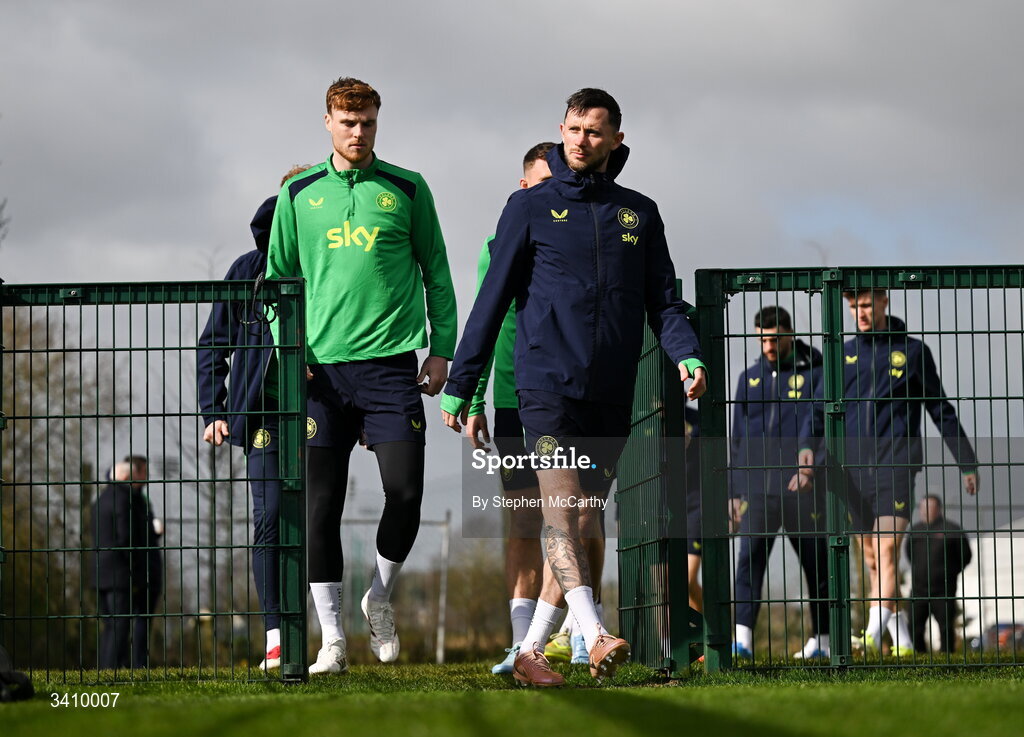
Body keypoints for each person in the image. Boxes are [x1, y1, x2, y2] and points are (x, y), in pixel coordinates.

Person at [441, 88, 707, 686]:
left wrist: (687, 355)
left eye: (594, 132)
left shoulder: (640, 212)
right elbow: (492, 301)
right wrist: (463, 386)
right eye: (573, 129)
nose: (581, 141)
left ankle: (532, 651)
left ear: (616, 140)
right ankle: (593, 633)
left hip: (610, 390)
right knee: (560, 513)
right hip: (545, 387)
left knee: (587, 518)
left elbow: (662, 301)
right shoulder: (529, 207)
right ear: (561, 132)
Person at [266, 77, 456, 674]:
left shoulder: (407, 187)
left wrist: (441, 348)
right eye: (347, 122)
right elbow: (277, 284)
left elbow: (438, 275)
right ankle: (332, 642)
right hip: (320, 374)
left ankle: (379, 595)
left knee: (406, 493)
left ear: (378, 121)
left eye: (368, 122)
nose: (358, 132)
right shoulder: (297, 193)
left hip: (391, 369)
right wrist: (289, 356)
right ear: (327, 121)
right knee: (318, 507)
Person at [197, 165, 310, 671]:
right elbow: (212, 342)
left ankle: (326, 636)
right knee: (269, 520)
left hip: (323, 411)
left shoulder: (336, 262)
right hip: (262, 413)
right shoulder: (248, 268)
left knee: (317, 521)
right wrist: (214, 409)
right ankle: (277, 637)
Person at [836, 288, 978, 656]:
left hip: (896, 464)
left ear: (884, 301)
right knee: (871, 558)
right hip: (853, 471)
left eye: (866, 305)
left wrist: (966, 460)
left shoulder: (912, 352)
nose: (860, 313)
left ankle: (870, 632)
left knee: (886, 549)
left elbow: (939, 407)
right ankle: (900, 640)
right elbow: (823, 413)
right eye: (853, 307)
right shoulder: (844, 354)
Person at [730, 306, 830, 660]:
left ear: (789, 334)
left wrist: (811, 469)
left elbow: (825, 428)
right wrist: (734, 491)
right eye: (762, 339)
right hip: (758, 491)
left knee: (817, 563)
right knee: (748, 561)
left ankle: (823, 642)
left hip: (803, 489)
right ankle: (741, 641)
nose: (768, 346)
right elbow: (736, 440)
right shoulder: (748, 378)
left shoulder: (816, 372)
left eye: (774, 338)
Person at [94, 456, 159, 669]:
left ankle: (108, 666)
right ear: (124, 476)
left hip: (99, 572)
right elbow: (126, 539)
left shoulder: (101, 499)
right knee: (120, 624)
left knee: (110, 624)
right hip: (118, 573)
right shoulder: (125, 500)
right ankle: (110, 669)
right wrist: (137, 571)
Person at [905, 495, 973, 653]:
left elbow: (965, 556)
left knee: (945, 627)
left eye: (929, 507)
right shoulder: (915, 531)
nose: (925, 511)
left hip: (944, 589)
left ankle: (946, 659)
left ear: (938, 508)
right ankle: (919, 658)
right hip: (918, 590)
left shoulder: (952, 529)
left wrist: (950, 572)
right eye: (922, 508)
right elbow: (909, 555)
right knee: (914, 627)